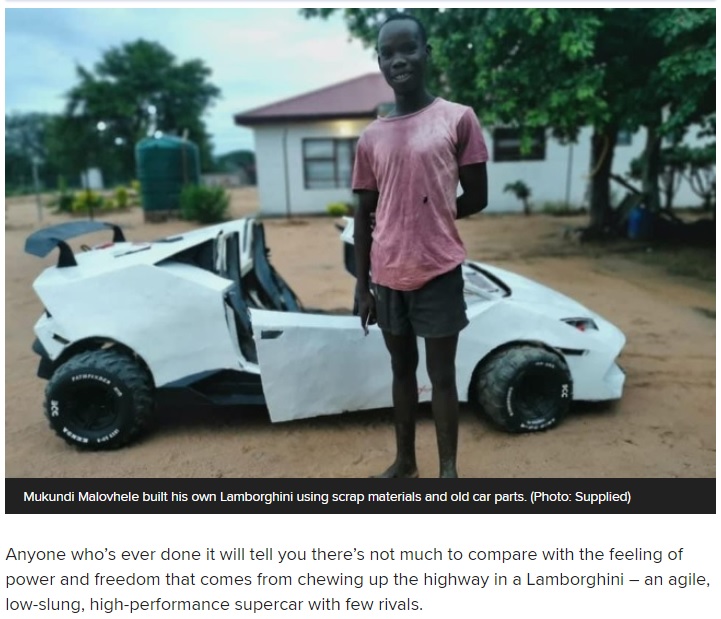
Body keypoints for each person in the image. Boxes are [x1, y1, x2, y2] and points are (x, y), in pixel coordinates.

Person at [351, 13, 489, 478]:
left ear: (426, 53)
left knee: (443, 375)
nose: (399, 60)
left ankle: (448, 472)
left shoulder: (457, 119)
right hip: (387, 275)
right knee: (401, 371)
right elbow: (363, 213)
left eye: (408, 48)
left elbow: (479, 195)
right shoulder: (372, 137)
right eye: (387, 53)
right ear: (380, 62)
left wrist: (435, 219)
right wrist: (362, 286)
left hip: (438, 269)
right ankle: (406, 461)